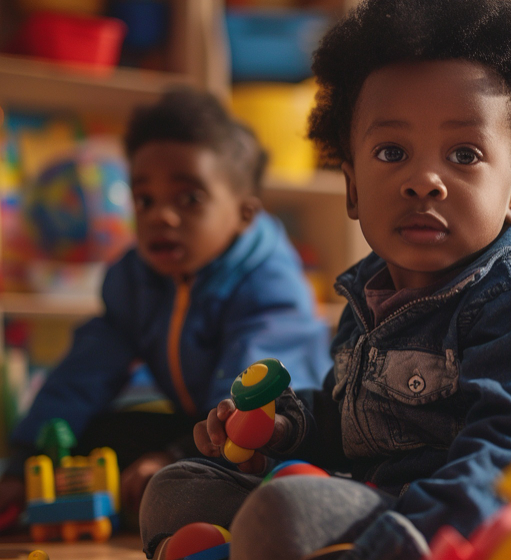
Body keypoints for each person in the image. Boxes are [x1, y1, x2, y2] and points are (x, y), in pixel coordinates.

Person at [139, 1, 511, 559]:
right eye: (391, 152)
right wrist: (283, 427)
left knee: (284, 513)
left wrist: (388, 541)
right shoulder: (368, 299)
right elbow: (356, 422)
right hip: (396, 499)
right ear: (353, 189)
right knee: (174, 489)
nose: (424, 180)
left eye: (463, 153)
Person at [0, 89, 331, 522]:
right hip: (198, 423)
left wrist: (175, 457)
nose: (162, 217)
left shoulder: (270, 283)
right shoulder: (134, 278)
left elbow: (250, 393)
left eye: (189, 199)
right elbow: (85, 370)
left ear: (244, 214)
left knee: (268, 468)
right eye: (145, 200)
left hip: (277, 427)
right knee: (95, 435)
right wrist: (26, 458)